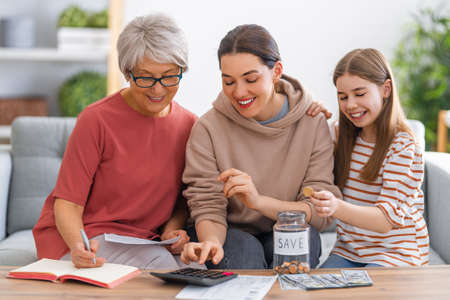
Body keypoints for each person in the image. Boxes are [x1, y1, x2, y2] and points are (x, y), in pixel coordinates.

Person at [32, 14, 198, 269]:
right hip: (86, 237)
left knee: (198, 272)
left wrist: (172, 229)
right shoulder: (96, 120)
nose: (158, 89)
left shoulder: (190, 125)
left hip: (146, 242)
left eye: (169, 76)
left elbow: (182, 199)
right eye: (146, 77)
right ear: (127, 73)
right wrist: (78, 247)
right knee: (164, 270)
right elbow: (67, 203)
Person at [180, 24, 342, 269]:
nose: (239, 92)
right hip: (229, 232)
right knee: (244, 251)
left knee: (303, 238)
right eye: (229, 81)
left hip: (285, 225)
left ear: (276, 71)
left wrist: (258, 202)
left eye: (251, 79)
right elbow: (207, 205)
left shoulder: (311, 123)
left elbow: (318, 211)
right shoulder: (208, 129)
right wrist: (211, 242)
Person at [309, 48, 429, 268]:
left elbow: (385, 221)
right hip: (349, 252)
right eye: (343, 97)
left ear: (385, 89)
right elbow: (304, 155)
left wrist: (336, 207)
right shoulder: (340, 136)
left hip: (396, 255)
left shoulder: (403, 146)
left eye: (360, 93)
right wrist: (312, 117)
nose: (351, 105)